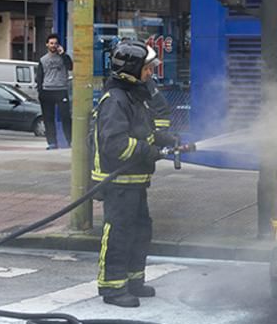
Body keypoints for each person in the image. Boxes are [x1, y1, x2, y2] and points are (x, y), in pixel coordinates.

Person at [93, 40, 177, 307]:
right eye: (146, 69)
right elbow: (115, 144)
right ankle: (112, 288)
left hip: (135, 181)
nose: (150, 73)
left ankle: (133, 280)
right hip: (118, 181)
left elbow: (142, 132)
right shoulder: (115, 101)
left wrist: (162, 139)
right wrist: (147, 151)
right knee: (119, 233)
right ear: (131, 70)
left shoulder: (134, 97)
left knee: (140, 231)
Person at [36, 33, 73, 149]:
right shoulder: (43, 60)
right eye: (51, 43)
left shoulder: (64, 57)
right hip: (47, 91)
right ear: (47, 44)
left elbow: (70, 66)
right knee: (48, 118)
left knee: (65, 117)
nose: (53, 45)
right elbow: (40, 77)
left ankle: (69, 141)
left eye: (55, 43)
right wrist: (40, 92)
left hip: (61, 90)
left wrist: (63, 54)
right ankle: (52, 143)